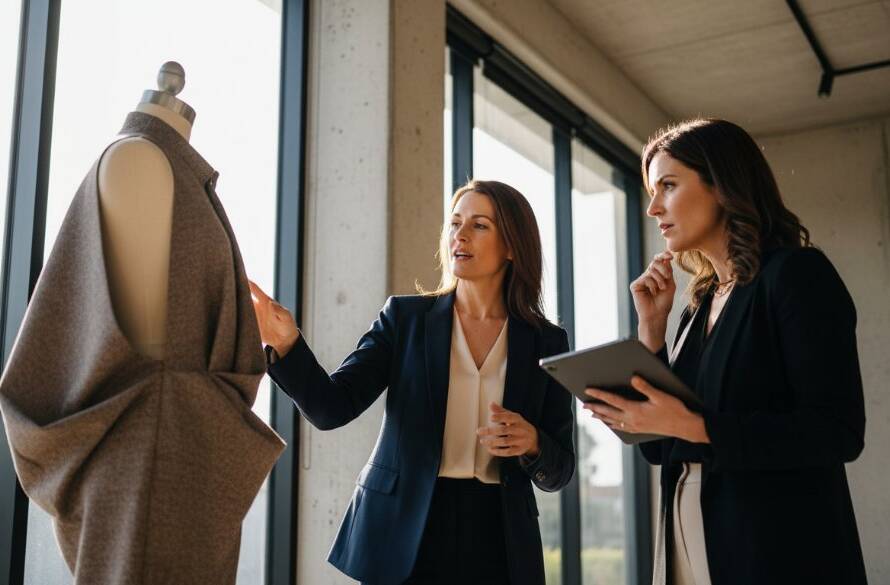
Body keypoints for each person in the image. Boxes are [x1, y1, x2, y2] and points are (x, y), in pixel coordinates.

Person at [582, 119, 867, 585]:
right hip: (688, 537)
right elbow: (660, 449)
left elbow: (835, 431)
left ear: (722, 185)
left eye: (668, 186)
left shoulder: (796, 276)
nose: (653, 208)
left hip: (774, 549)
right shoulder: (700, 303)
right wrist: (651, 330)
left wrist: (693, 426)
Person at [249, 179, 575, 585]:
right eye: (455, 223)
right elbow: (331, 407)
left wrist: (533, 443)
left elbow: (561, 469)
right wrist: (287, 343)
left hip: (500, 533)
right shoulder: (405, 319)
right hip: (407, 528)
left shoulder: (547, 341)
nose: (460, 234)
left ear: (512, 245)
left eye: (479, 225)